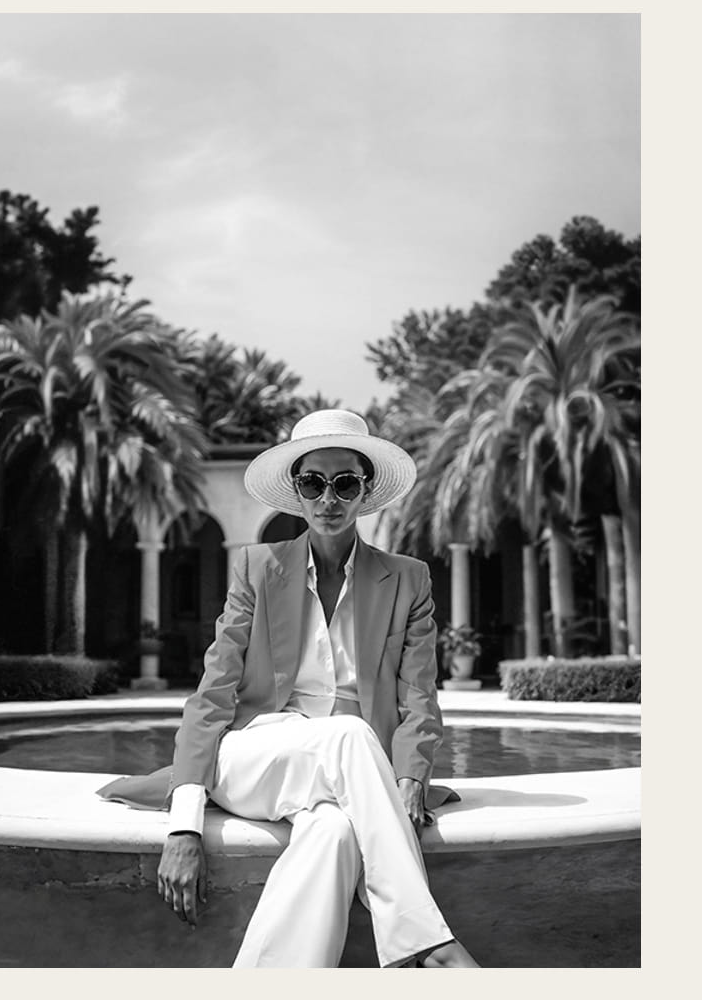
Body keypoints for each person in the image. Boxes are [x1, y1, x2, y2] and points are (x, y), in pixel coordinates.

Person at [99, 409, 480, 968]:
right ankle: (424, 947)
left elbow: (419, 698)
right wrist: (185, 823)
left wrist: (408, 780)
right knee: (348, 735)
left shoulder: (409, 579)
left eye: (345, 483)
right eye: (313, 483)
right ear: (296, 492)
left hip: (350, 773)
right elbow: (213, 695)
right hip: (255, 757)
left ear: (365, 491)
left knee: (331, 834)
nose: (329, 498)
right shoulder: (256, 568)